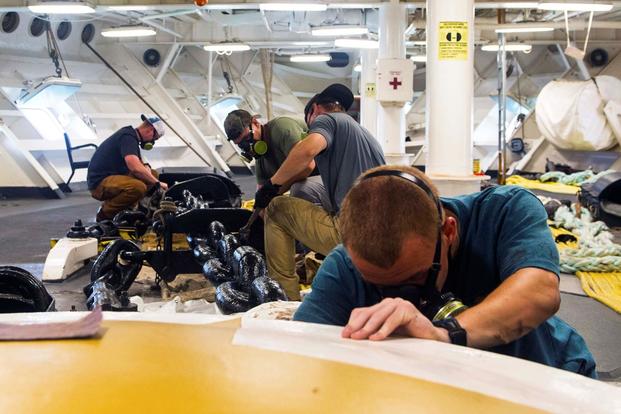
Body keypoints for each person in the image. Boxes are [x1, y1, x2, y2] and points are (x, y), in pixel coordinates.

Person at [294, 165, 597, 378]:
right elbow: (300, 359)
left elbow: (540, 292)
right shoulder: (343, 266)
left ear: (448, 232)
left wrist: (443, 335)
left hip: (552, 378)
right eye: (379, 285)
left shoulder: (505, 211)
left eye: (415, 278)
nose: (405, 299)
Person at [254, 84, 385, 300]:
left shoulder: (327, 119)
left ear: (314, 110)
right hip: (382, 235)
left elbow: (308, 150)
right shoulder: (363, 133)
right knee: (304, 188)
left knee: (277, 208)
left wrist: (272, 186)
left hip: (354, 234)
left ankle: (283, 298)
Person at [223, 109, 330, 211]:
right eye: (241, 144)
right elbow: (262, 192)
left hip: (332, 178)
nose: (247, 146)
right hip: (316, 183)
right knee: (271, 207)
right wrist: (259, 209)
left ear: (255, 123)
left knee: (299, 190)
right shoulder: (261, 159)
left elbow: (307, 166)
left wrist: (274, 190)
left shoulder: (281, 128)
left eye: (247, 139)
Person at [87, 114, 168, 222]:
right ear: (150, 130)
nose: (152, 142)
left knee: (152, 174)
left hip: (113, 176)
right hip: (99, 183)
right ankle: (104, 214)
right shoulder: (127, 137)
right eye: (154, 138)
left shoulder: (132, 137)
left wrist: (147, 168)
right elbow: (135, 167)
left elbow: (139, 164)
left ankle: (130, 208)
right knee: (138, 187)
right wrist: (157, 183)